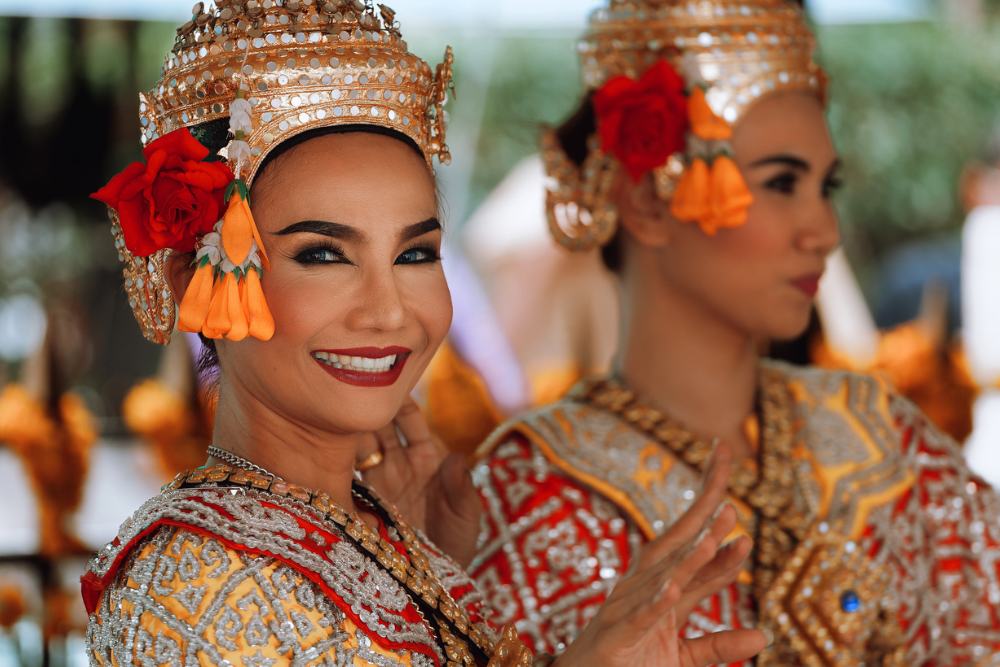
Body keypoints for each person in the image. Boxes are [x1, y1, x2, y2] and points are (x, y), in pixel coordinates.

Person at [80, 2, 766, 665]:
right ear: (189, 281)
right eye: (323, 253)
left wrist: (438, 561)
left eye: (415, 254)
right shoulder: (192, 579)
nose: (389, 310)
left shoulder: (391, 534)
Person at [470, 0, 1000, 664]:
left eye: (824, 187)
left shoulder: (886, 440)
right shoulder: (528, 494)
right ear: (644, 201)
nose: (824, 231)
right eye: (781, 183)